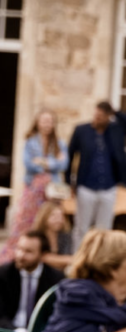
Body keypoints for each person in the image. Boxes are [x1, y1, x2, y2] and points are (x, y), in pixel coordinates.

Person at [66, 101, 126, 250]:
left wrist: (116, 112)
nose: (97, 119)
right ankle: (77, 258)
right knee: (82, 226)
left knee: (104, 228)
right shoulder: (82, 131)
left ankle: (99, 259)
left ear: (108, 117)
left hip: (109, 187)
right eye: (96, 115)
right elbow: (70, 156)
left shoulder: (115, 130)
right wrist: (69, 182)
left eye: (101, 116)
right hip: (86, 186)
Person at [0, 110, 69, 264]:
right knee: (25, 223)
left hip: (52, 192)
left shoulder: (59, 144)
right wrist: (52, 163)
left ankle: (43, 254)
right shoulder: (31, 142)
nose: (46, 124)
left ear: (53, 124)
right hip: (33, 190)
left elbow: (63, 164)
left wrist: (45, 162)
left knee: (49, 222)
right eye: (43, 121)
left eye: (49, 121)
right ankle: (17, 255)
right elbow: (29, 164)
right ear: (38, 123)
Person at [0, 230, 65, 332]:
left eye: (28, 251)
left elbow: (57, 316)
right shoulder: (4, 274)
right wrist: (17, 331)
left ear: (42, 255)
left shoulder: (55, 279)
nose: (20, 255)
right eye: (19, 249)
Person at [32, 201, 75, 271]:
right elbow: (40, 257)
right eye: (53, 215)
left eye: (61, 216)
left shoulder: (66, 236)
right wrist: (67, 260)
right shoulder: (37, 236)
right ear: (45, 216)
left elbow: (70, 257)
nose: (58, 219)